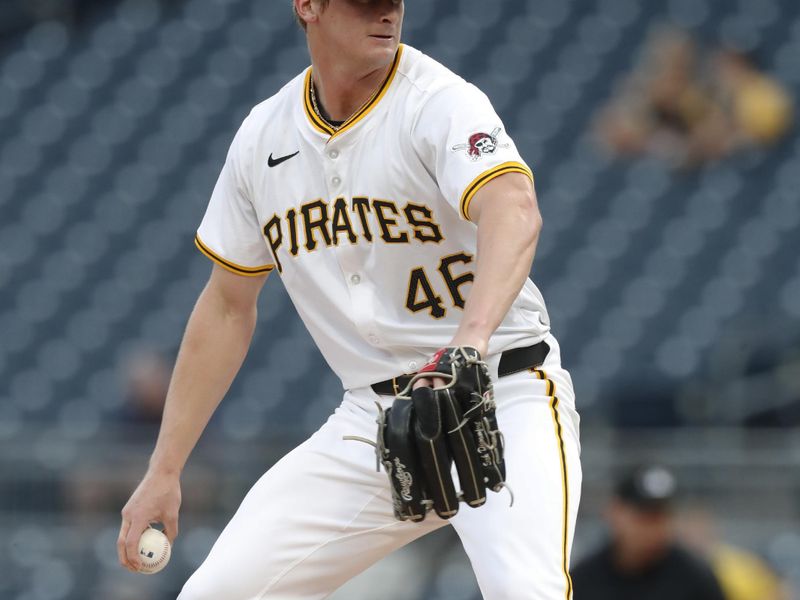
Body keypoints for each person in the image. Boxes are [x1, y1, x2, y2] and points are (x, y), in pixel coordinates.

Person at [117, 1, 582, 598]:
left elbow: (514, 207)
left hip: (498, 393)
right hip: (374, 418)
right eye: (366, 1)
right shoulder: (265, 136)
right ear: (308, 6)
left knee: (526, 591)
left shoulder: (437, 100)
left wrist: (468, 341)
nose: (387, 12)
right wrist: (165, 468)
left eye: (394, 0)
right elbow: (227, 306)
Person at [571, 465, 725, 600]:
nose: (652, 528)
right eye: (643, 515)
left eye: (661, 516)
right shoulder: (584, 579)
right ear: (615, 512)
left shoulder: (696, 577)